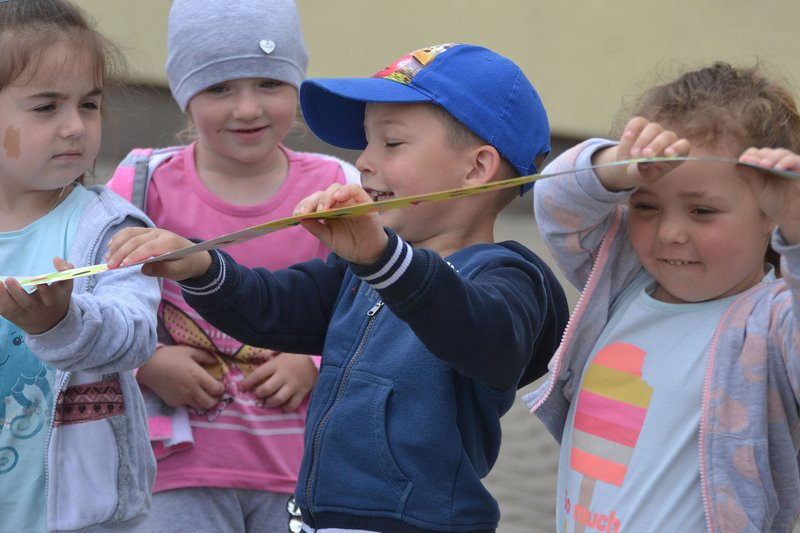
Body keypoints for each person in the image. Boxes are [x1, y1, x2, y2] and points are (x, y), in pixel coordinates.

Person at [106, 43, 569, 532]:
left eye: (391, 143)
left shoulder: (506, 276)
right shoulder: (362, 269)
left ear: (476, 169)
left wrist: (382, 259)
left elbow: (486, 338)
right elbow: (271, 308)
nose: (364, 162)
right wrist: (201, 265)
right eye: (366, 143)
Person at [104, 1, 358, 531]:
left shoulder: (336, 188)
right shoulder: (141, 183)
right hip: (176, 468)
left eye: (269, 83)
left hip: (303, 470)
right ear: (185, 96)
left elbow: (365, 303)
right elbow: (98, 305)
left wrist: (311, 362)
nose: (247, 109)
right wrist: (146, 362)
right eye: (219, 88)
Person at [523, 61, 800, 532]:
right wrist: (614, 166)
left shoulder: (771, 320)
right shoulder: (622, 277)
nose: (670, 232)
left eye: (702, 210)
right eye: (646, 205)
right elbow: (556, 201)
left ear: (769, 214)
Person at [0, 1, 160, 531]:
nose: (75, 127)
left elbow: (136, 334)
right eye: (46, 107)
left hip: (78, 517)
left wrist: (61, 324)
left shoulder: (107, 225)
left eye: (88, 104)